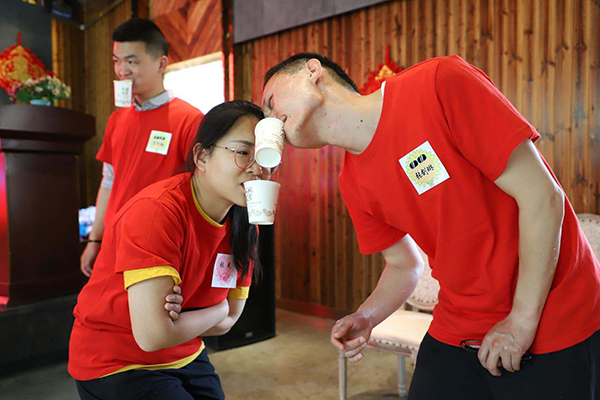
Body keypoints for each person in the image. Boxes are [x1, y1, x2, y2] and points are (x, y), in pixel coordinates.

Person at [261, 53, 600, 399]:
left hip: (550, 312)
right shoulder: (352, 182)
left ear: (313, 71)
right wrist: (367, 317)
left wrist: (522, 320)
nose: (270, 120)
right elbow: (403, 264)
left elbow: (543, 197)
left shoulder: (438, 83)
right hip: (458, 319)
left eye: (271, 102)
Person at [69, 101, 277, 399]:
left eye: (266, 157)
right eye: (243, 152)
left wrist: (186, 320)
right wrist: (217, 309)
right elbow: (153, 336)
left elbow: (230, 321)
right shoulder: (156, 213)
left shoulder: (246, 227)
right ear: (202, 156)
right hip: (115, 359)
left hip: (185, 350)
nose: (258, 169)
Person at [80, 18, 204, 278]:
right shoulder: (117, 119)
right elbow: (108, 181)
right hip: (113, 241)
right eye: (117, 61)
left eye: (132, 61)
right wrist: (95, 240)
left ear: (161, 64)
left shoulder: (190, 119)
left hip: (158, 245)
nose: (122, 70)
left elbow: (201, 191)